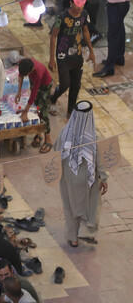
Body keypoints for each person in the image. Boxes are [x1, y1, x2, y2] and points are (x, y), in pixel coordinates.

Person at [55, 101, 107, 247]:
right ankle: (88, 233)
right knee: (91, 206)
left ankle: (73, 238)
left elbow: (55, 154)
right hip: (88, 181)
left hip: (68, 179)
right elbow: (100, 161)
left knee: (70, 207)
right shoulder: (93, 137)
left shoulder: (64, 134)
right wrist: (104, 178)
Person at [49, 0, 95, 117]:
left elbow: (85, 31)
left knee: (76, 86)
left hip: (77, 55)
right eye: (77, 4)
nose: (79, 7)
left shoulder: (84, 14)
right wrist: (52, 58)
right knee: (65, 84)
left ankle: (70, 112)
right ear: (71, 3)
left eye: (81, 4)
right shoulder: (61, 17)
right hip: (63, 56)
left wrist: (91, 51)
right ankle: (53, 98)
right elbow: (53, 36)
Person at [16, 57, 53, 153]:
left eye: (26, 75)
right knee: (36, 108)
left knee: (43, 111)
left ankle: (48, 139)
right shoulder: (23, 63)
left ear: (31, 71)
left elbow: (33, 94)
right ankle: (39, 133)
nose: (25, 76)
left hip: (45, 85)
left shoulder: (38, 73)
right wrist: (19, 92)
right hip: (35, 82)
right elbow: (20, 75)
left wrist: (25, 112)